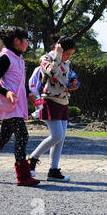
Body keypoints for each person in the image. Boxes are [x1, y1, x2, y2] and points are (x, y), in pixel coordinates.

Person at [0, 27, 40, 186]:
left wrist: (29, 94)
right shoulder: (5, 57)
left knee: (3, 137)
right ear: (17, 41)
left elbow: (19, 82)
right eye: (25, 39)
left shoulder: (19, 58)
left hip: (17, 102)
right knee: (23, 135)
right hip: (8, 102)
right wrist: (6, 93)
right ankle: (24, 176)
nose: (27, 43)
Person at [28, 37, 78, 182]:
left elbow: (63, 80)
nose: (68, 57)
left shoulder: (66, 62)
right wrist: (57, 55)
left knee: (61, 139)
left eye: (71, 54)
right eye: (67, 53)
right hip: (49, 100)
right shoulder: (47, 58)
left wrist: (72, 85)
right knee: (57, 136)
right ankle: (32, 159)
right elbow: (51, 72)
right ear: (59, 49)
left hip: (63, 101)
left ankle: (53, 170)